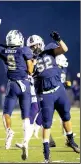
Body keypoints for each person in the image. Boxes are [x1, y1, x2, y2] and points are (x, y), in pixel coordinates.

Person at [26, 33, 80, 163]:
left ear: (41, 43)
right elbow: (30, 71)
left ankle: (70, 140)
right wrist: (31, 60)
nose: (35, 48)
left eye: (36, 45)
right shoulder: (29, 58)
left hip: (59, 90)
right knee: (47, 124)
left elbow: (64, 49)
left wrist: (58, 40)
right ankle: (46, 152)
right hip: (45, 94)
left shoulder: (49, 49)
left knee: (66, 116)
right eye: (32, 46)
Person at [0, 19, 34, 160]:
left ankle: (9, 131)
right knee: (26, 116)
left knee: (6, 113)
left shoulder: (4, 50)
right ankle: (25, 142)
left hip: (12, 85)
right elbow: (30, 69)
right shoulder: (25, 50)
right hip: (25, 84)